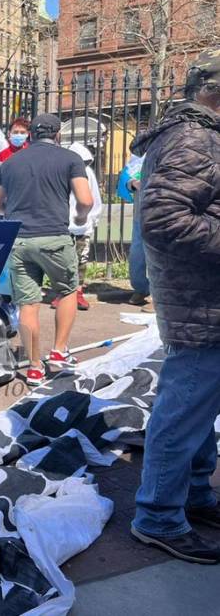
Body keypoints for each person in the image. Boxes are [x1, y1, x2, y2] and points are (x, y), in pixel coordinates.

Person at [130, 47, 220, 563]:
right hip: (202, 302)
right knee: (184, 406)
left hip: (203, 298)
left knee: (198, 407)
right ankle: (159, 515)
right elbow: (163, 218)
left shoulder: (198, 135)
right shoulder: (196, 137)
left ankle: (194, 494)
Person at [0, 113, 93, 386]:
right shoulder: (70, 159)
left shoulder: (9, 164)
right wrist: (80, 219)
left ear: (30, 135)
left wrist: (11, 211)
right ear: (57, 135)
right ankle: (59, 351)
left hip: (20, 240)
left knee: (28, 304)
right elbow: (85, 199)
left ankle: (35, 367)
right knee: (68, 290)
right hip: (55, 237)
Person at [50, 142, 103, 311]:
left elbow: (94, 198)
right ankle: (62, 293)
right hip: (62, 224)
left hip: (81, 225)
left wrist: (92, 220)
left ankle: (78, 292)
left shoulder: (87, 173)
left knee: (80, 261)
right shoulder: (60, 172)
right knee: (61, 261)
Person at [121, 152, 153, 309]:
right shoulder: (139, 157)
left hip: (162, 214)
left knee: (157, 255)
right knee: (137, 254)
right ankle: (141, 289)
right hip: (140, 215)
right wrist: (132, 183)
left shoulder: (170, 150)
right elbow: (125, 177)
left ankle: (157, 295)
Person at [0, 82, 30, 164]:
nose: (19, 135)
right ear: (9, 133)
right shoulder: (2, 147)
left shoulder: (31, 151)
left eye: (22, 132)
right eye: (15, 132)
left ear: (27, 134)